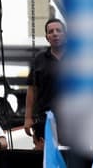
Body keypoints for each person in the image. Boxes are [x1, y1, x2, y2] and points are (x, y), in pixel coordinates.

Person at [24, 18, 65, 147]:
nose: (55, 33)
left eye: (58, 30)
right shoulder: (39, 59)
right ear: (47, 37)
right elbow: (32, 89)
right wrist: (28, 117)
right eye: (51, 31)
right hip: (46, 118)